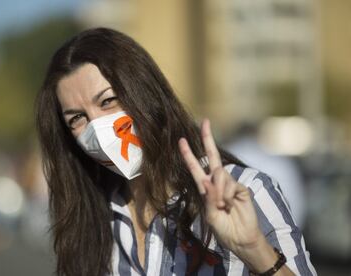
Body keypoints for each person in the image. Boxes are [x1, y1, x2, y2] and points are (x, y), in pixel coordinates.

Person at [35, 27, 316, 276]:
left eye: (108, 101)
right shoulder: (92, 218)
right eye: (77, 118)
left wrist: (256, 251)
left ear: (145, 94)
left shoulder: (243, 191)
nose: (96, 127)